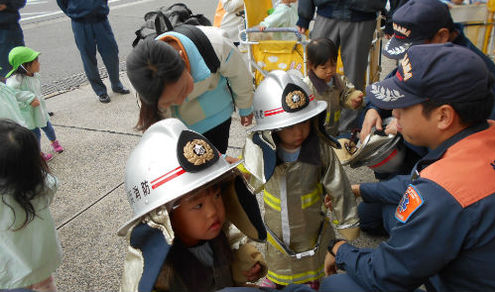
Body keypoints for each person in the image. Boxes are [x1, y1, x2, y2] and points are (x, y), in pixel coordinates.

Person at [319, 43, 495, 292]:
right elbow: (416, 182)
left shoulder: (439, 195)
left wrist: (339, 249)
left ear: (444, 116)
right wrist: (359, 189)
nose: (395, 112)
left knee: (338, 286)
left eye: (404, 105)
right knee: (373, 209)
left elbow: (384, 274)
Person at [118, 118, 313, 292]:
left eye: (218, 195)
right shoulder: (158, 276)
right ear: (162, 217)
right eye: (198, 205)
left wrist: (240, 260)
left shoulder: (219, 235)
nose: (214, 212)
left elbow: (232, 241)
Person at [242, 70, 359, 289]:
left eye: (305, 122)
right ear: (270, 131)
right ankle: (277, 280)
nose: (299, 132)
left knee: (312, 261)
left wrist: (347, 220)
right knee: (279, 259)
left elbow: (339, 185)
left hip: (311, 225)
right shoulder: (263, 151)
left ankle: (312, 282)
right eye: (289, 126)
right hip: (277, 229)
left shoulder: (320, 149)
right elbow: (246, 184)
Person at [297, 0, 412, 130]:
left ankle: (346, 133)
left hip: (363, 13)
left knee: (354, 80)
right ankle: (311, 125)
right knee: (314, 73)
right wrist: (304, 14)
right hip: (327, 9)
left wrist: (395, 19)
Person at [126, 25, 254, 154]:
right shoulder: (143, 81)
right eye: (169, 102)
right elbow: (164, 127)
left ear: (181, 58)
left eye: (183, 90)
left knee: (219, 148)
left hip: (217, 116)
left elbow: (240, 76)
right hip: (183, 129)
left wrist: (245, 107)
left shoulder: (216, 44)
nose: (180, 100)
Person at [53, 0, 130, 104]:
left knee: (111, 53)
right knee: (88, 58)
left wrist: (99, 8)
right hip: (81, 24)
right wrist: (76, 14)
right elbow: (61, 1)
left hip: (101, 20)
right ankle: (100, 91)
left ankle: (116, 84)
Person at [0, 119, 62, 292]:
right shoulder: (42, 184)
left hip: (10, 264)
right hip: (40, 255)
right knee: (46, 284)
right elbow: (52, 185)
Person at [5, 46, 64, 162]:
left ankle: (54, 142)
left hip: (40, 109)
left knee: (48, 127)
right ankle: (38, 153)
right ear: (24, 66)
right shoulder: (15, 81)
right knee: (35, 134)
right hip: (29, 113)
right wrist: (29, 98)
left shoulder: (35, 75)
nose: (39, 64)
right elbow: (12, 92)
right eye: (35, 62)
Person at [302, 38, 363, 137]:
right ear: (310, 65)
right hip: (314, 136)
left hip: (333, 132)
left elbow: (346, 94)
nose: (330, 70)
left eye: (333, 65)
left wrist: (353, 99)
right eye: (324, 67)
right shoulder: (306, 86)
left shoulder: (339, 80)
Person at [0, 0, 26, 81]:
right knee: (6, 73)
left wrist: (7, 5)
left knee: (23, 67)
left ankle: (26, 97)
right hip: (1, 31)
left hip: (14, 28)